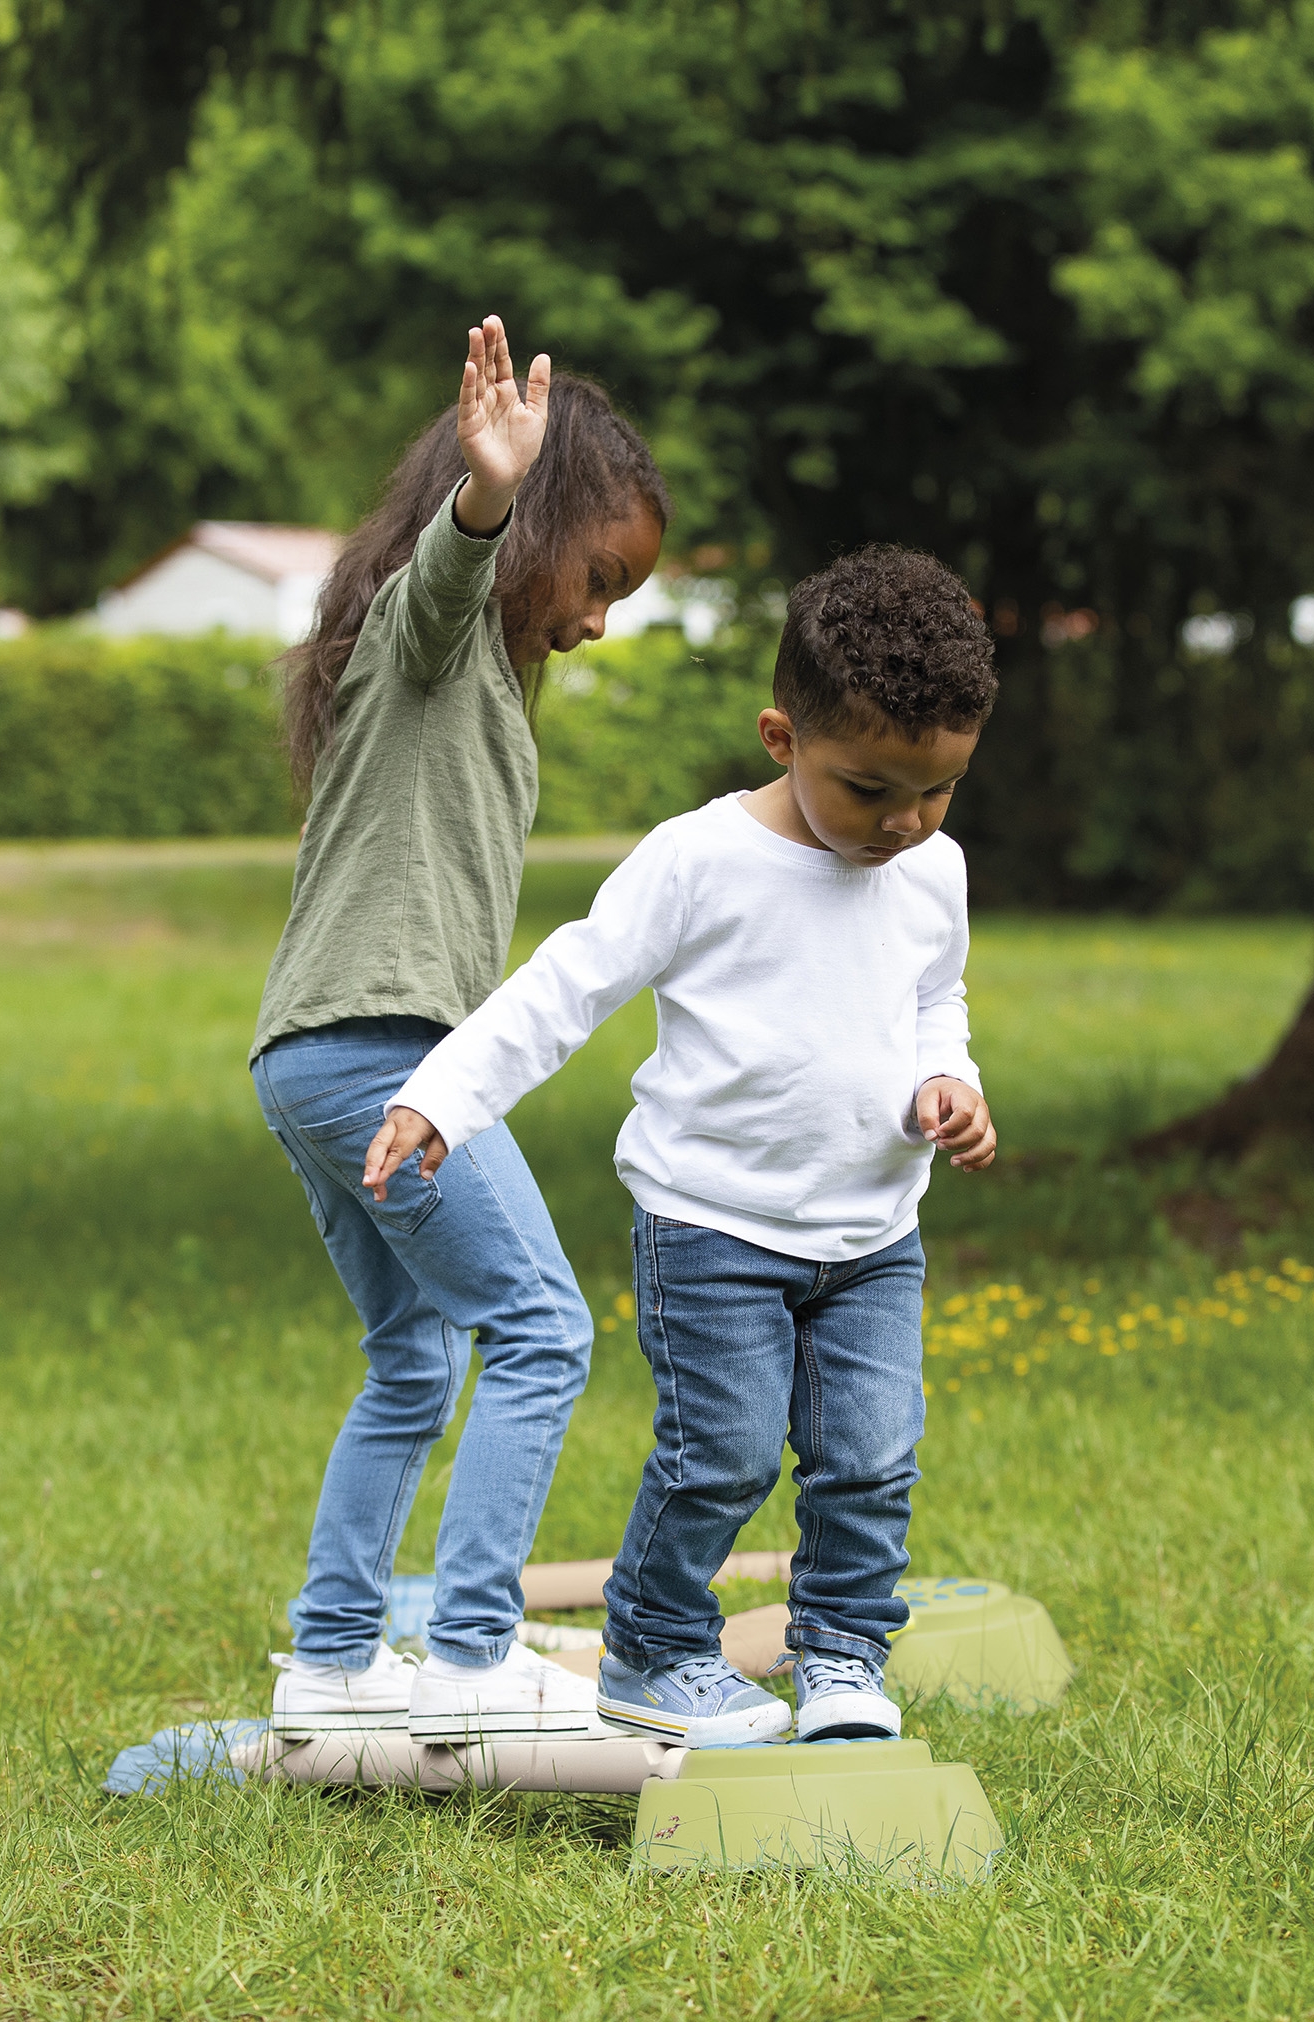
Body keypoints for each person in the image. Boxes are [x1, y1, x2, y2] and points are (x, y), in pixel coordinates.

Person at [362, 546, 1000, 1746]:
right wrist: (441, 1096)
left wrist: (946, 1078)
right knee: (725, 1452)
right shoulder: (702, 861)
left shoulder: (932, 872)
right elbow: (567, 987)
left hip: (873, 1234)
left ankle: (843, 1660)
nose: (905, 823)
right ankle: (654, 1650)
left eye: (939, 792)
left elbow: (936, 998)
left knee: (869, 1462)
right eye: (869, 790)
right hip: (713, 1225)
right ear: (779, 737)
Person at [252, 317, 669, 1743]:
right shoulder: (422, 637)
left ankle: (333, 1650)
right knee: (543, 1328)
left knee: (418, 1356)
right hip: (378, 1050)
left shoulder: (456, 672)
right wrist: (486, 495)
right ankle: (471, 1654)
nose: (602, 617)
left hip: (310, 1054)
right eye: (601, 578)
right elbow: (448, 583)